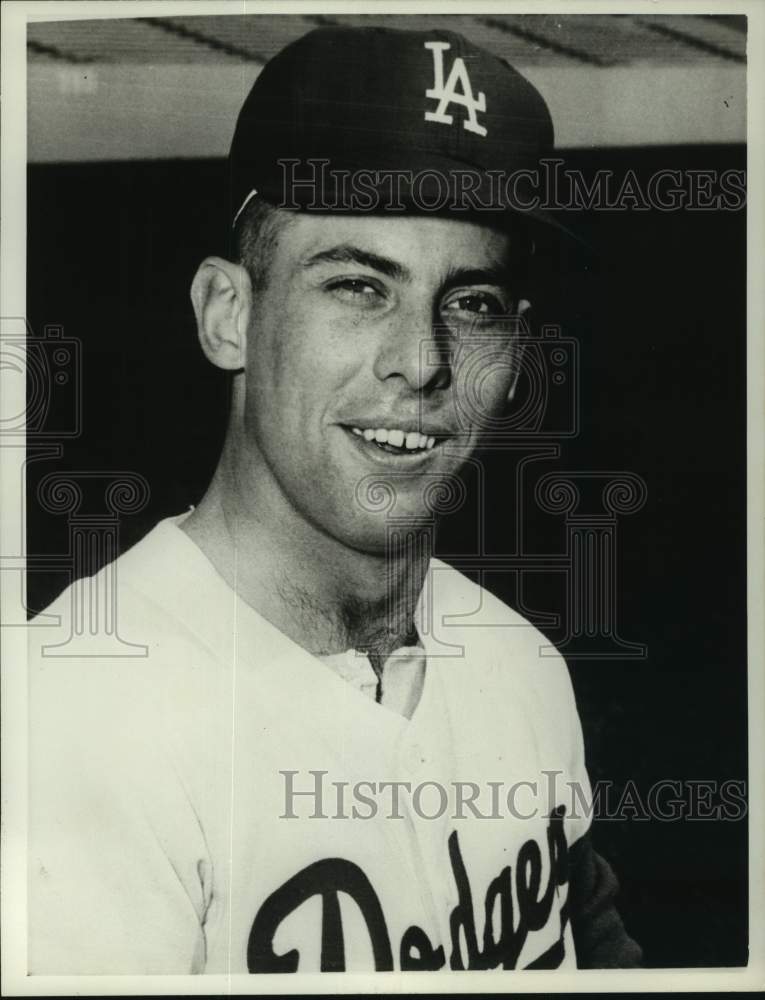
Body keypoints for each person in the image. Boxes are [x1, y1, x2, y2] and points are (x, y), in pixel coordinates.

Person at [28, 25, 641, 974]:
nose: (422, 360)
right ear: (227, 314)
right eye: (358, 286)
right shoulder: (73, 716)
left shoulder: (515, 660)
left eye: (471, 302)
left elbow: (592, 947)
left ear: (517, 348)